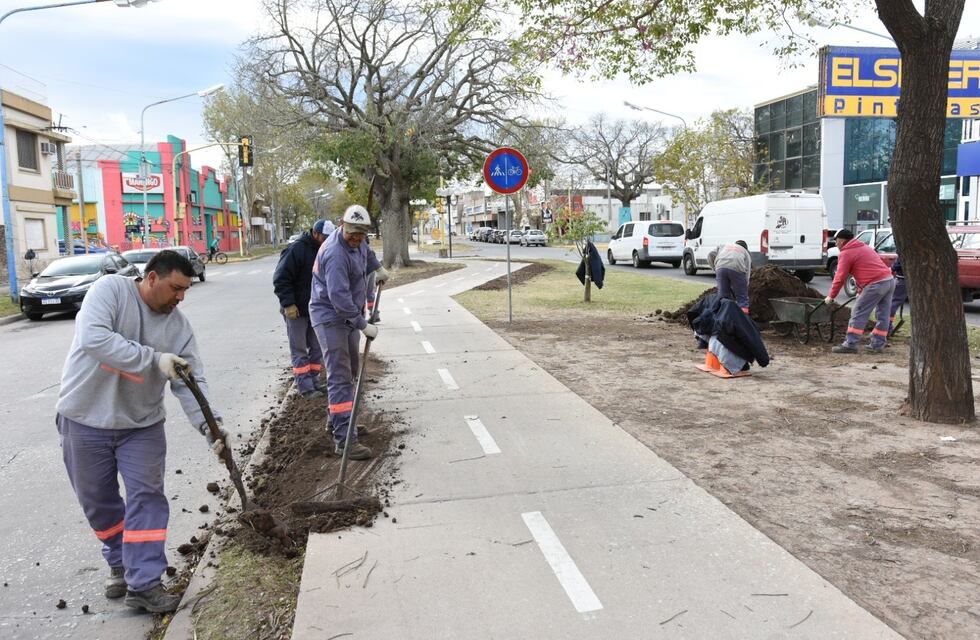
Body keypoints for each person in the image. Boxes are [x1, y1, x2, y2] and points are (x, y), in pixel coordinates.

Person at [55, 250, 227, 613]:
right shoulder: (111, 292)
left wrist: (211, 427)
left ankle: (144, 583)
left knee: (147, 497)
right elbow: (94, 338)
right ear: (151, 278)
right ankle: (120, 561)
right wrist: (153, 358)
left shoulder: (178, 328)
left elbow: (191, 382)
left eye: (186, 290)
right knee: (99, 503)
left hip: (141, 426)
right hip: (84, 420)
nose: (181, 297)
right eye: (176, 288)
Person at [310, 205, 390, 461]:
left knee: (351, 371)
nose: (355, 239)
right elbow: (339, 298)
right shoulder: (334, 253)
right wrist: (363, 323)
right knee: (340, 377)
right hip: (330, 317)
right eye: (352, 233)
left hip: (347, 317)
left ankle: (338, 420)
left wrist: (377, 268)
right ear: (342, 225)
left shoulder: (359, 243)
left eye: (360, 234)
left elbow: (366, 254)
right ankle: (345, 441)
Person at [273, 219, 335, 398]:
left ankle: (314, 381)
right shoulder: (297, 250)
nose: (327, 241)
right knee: (299, 350)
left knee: (316, 347)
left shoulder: (325, 249)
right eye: (325, 237)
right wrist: (288, 304)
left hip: (315, 309)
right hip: (297, 310)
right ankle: (305, 388)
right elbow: (281, 278)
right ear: (315, 233)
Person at [824, 229, 896, 354]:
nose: (835, 244)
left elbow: (840, 277)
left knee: (858, 311)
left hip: (875, 284)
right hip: (889, 281)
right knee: (883, 314)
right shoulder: (864, 247)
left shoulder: (846, 253)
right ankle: (878, 344)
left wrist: (831, 296)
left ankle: (850, 344)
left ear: (841, 241)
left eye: (836, 241)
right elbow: (865, 269)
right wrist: (860, 289)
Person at [709, 240, 752, 313]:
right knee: (742, 299)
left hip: (720, 266)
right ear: (745, 248)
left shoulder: (724, 245)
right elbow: (747, 271)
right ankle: (743, 319)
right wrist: (744, 286)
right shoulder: (745, 252)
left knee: (723, 296)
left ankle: (723, 317)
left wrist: (715, 268)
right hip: (737, 267)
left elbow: (710, 254)